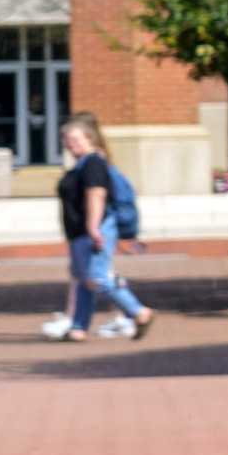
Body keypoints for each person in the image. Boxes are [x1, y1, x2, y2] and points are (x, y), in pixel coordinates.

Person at [50, 112, 149, 343]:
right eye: (67, 139)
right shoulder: (83, 163)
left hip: (94, 230)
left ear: (90, 138)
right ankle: (78, 328)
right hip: (79, 232)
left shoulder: (93, 162)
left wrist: (93, 228)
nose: (71, 143)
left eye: (76, 138)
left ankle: (138, 312)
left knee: (97, 277)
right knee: (85, 278)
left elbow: (97, 195)